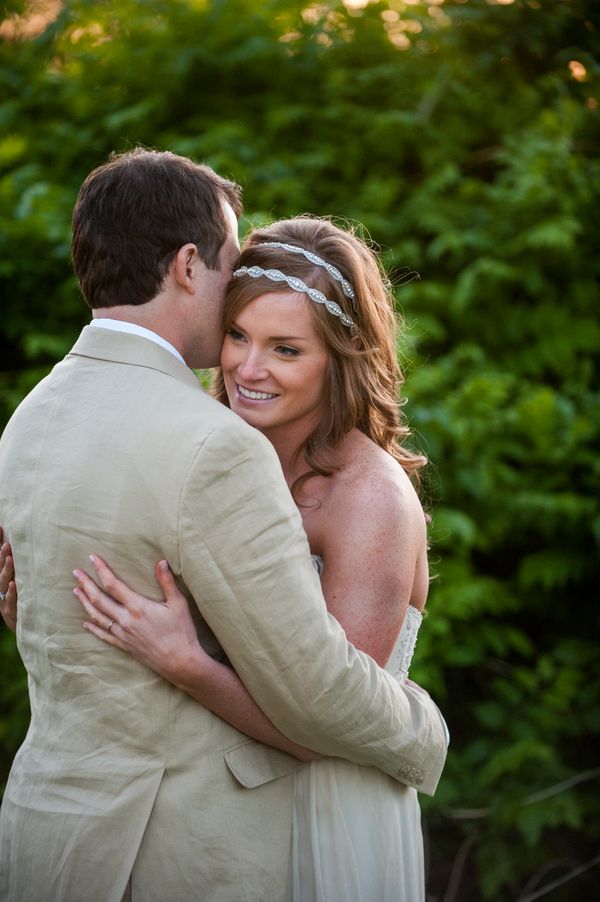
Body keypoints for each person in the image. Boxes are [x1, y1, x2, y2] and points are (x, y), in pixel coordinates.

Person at [0, 148, 447, 902]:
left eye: (286, 349)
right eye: (241, 333)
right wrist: (421, 729)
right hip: (170, 832)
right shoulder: (211, 446)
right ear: (187, 266)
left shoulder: (34, 414)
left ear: (337, 359)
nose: (248, 366)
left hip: (315, 808)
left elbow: (322, 713)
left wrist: (187, 662)